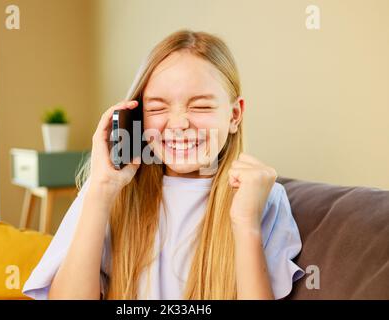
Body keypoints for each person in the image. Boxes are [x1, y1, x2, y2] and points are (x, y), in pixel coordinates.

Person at [22, 29, 304, 300]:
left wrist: (246, 224)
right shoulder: (106, 192)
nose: (179, 124)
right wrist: (101, 190)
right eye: (156, 108)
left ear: (234, 115)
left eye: (201, 106)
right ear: (136, 118)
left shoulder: (263, 199)